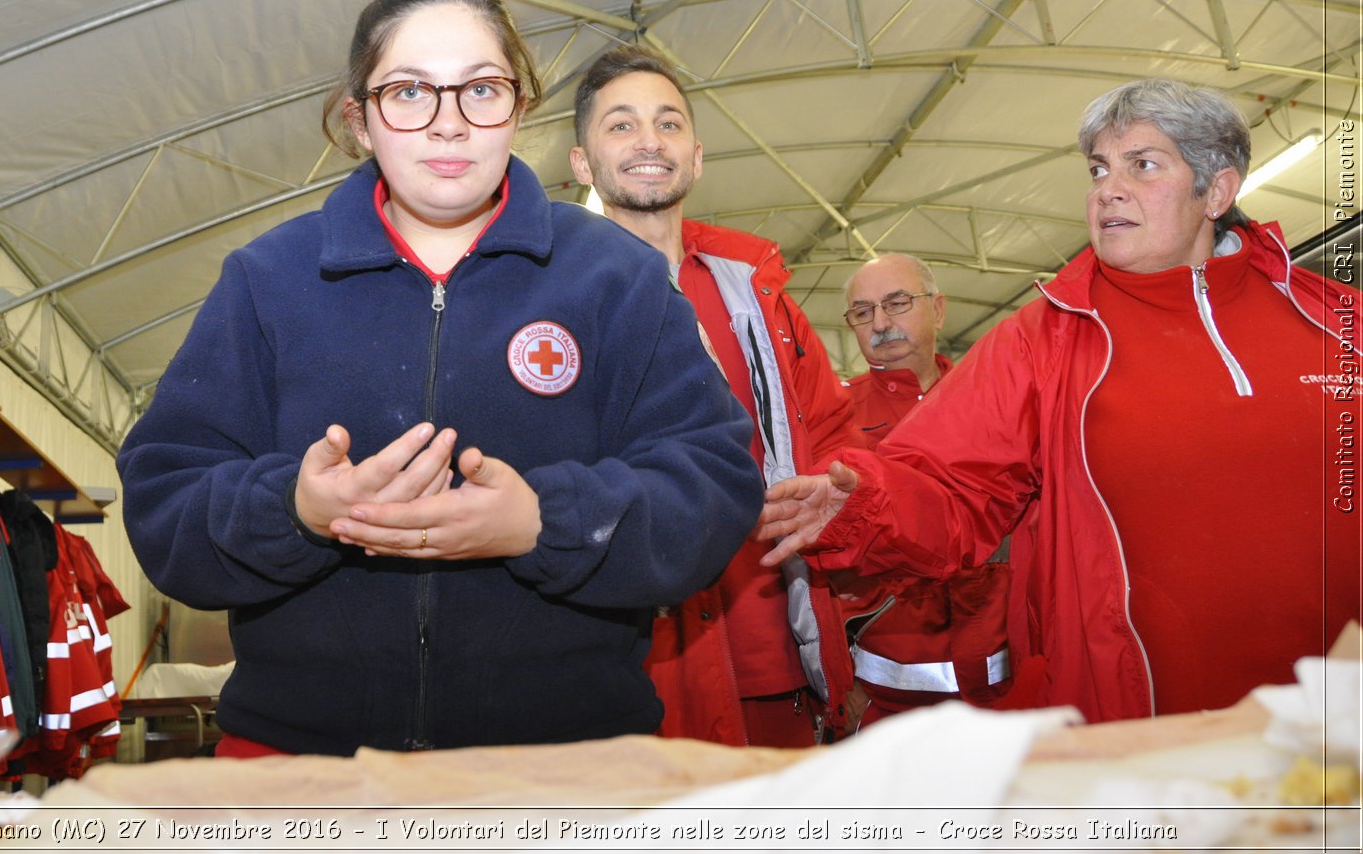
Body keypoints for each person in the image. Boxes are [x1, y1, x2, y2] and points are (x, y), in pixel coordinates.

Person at [118, 0, 762, 757]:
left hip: (569, 772)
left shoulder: (616, 277)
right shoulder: (267, 280)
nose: (449, 124)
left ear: (519, 105)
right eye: (410, 92)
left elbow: (714, 483)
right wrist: (296, 509)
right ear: (360, 119)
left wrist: (542, 523)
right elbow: (164, 498)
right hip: (306, 773)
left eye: (481, 90)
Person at [759, 78, 1361, 723]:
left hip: (1336, 705)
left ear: (1216, 190)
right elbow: (948, 484)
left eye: (1143, 164)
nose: (1108, 188)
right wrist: (864, 506)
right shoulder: (1042, 340)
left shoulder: (1334, 320)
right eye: (1099, 169)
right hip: (1138, 719)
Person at [568, 44, 859, 747]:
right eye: (621, 125)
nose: (648, 141)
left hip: (771, 650)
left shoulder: (756, 298)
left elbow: (833, 434)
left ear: (695, 157)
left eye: (668, 124)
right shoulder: (551, 304)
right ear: (583, 164)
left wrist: (843, 493)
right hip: (630, 670)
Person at [836, 253, 1011, 726]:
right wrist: (839, 680)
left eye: (896, 303)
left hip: (1004, 677)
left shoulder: (993, 400)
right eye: (863, 312)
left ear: (937, 310)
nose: (880, 323)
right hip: (885, 695)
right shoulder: (832, 418)